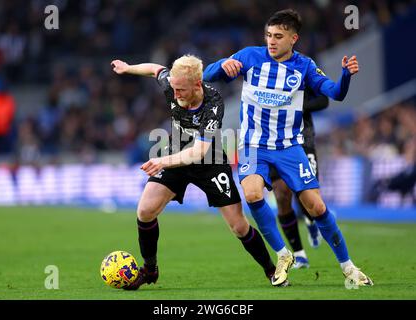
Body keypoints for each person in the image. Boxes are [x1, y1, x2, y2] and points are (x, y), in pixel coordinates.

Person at [203, 9, 373, 287]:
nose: (271, 40)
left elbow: (335, 93)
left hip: (289, 147)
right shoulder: (249, 56)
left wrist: (345, 76)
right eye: (269, 35)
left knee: (316, 207)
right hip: (253, 144)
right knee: (252, 193)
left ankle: (349, 267)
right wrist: (223, 65)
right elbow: (208, 74)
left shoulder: (304, 66)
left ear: (293, 38)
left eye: (278, 36)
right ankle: (284, 255)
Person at [111, 54, 280, 290]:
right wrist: (128, 68)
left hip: (208, 162)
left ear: (197, 85)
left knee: (239, 227)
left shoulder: (213, 103)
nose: (175, 93)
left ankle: (272, 270)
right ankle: (149, 269)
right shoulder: (171, 82)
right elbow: (153, 68)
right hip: (174, 156)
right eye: (173, 88)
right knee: (145, 211)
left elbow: (198, 152)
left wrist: (162, 161)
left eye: (181, 90)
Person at [270, 87, 327, 269]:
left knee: (309, 195)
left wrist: (297, 106)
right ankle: (299, 254)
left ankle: (311, 221)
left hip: (303, 142)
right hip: (274, 143)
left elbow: (323, 100)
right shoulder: (261, 69)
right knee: (281, 194)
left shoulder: (302, 68)